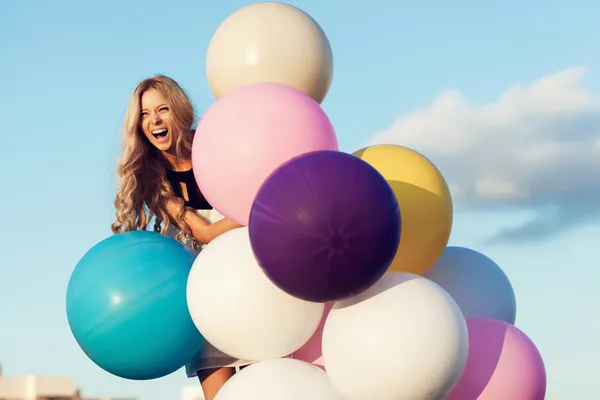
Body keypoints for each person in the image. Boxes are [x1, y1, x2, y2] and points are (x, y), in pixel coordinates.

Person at [111, 75, 248, 400]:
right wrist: (250, 213)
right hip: (207, 299)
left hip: (249, 285)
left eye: (163, 109)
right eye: (144, 114)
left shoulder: (215, 148)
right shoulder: (156, 179)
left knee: (265, 386)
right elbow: (205, 232)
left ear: (180, 111)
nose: (154, 120)